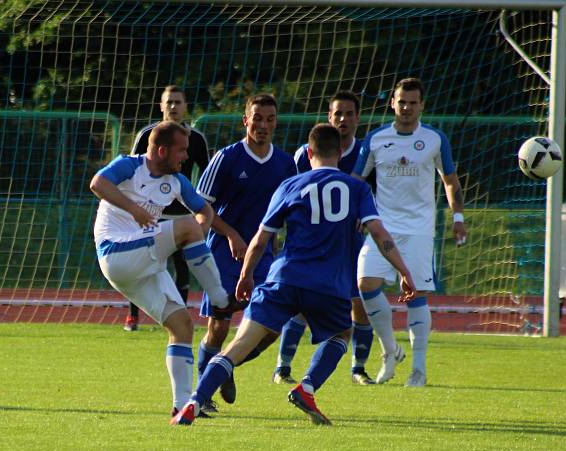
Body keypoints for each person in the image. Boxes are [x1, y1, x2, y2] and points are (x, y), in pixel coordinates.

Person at [171, 124, 415, 426]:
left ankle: (194, 401)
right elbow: (378, 232)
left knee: (237, 345)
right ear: (339, 152)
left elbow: (261, 239)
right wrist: (404, 271)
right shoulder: (357, 188)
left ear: (309, 152)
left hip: (283, 278)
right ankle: (307, 387)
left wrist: (245, 275)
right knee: (341, 335)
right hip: (328, 284)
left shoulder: (291, 185)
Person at [90, 121, 243, 416]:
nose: (185, 157)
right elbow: (98, 183)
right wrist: (134, 209)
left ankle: (182, 405)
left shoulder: (176, 182)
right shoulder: (129, 166)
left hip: (144, 262)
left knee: (181, 325)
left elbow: (205, 210)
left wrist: (198, 233)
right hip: (116, 252)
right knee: (184, 227)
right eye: (181, 150)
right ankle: (222, 300)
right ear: (162, 150)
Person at [353, 77, 467, 387]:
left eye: (413, 103)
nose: (406, 108)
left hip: (418, 230)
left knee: (416, 295)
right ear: (392, 103)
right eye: (402, 101)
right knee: (365, 283)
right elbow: (357, 180)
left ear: (422, 106)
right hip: (382, 227)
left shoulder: (434, 139)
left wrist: (458, 215)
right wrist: (355, 213)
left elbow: (449, 181)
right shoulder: (375, 139)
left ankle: (418, 370)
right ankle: (390, 350)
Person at [194, 93, 297, 412]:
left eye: (270, 119)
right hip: (225, 254)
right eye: (258, 118)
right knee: (220, 326)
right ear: (246, 120)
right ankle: (204, 392)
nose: (263, 125)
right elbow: (202, 207)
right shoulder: (227, 157)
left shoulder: (285, 163)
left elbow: (290, 209)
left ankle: (224, 365)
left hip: (265, 256)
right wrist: (232, 235)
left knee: (271, 327)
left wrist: (282, 246)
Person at [272, 90, 378, 386]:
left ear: (358, 118)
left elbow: (376, 194)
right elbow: (291, 194)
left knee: (359, 301)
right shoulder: (305, 155)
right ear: (329, 117)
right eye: (338, 113)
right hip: (312, 244)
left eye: (349, 113)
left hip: (350, 242)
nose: (343, 118)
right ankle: (283, 366)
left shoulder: (366, 154)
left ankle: (358, 368)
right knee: (303, 304)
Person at [123, 85, 210, 331]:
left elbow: (207, 174)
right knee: (140, 265)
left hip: (182, 214)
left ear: (185, 106)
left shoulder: (196, 139)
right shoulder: (147, 135)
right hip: (149, 214)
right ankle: (132, 317)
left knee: (182, 268)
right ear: (161, 106)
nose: (173, 106)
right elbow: (133, 169)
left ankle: (176, 318)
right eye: (169, 102)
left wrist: (197, 204)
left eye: (178, 102)